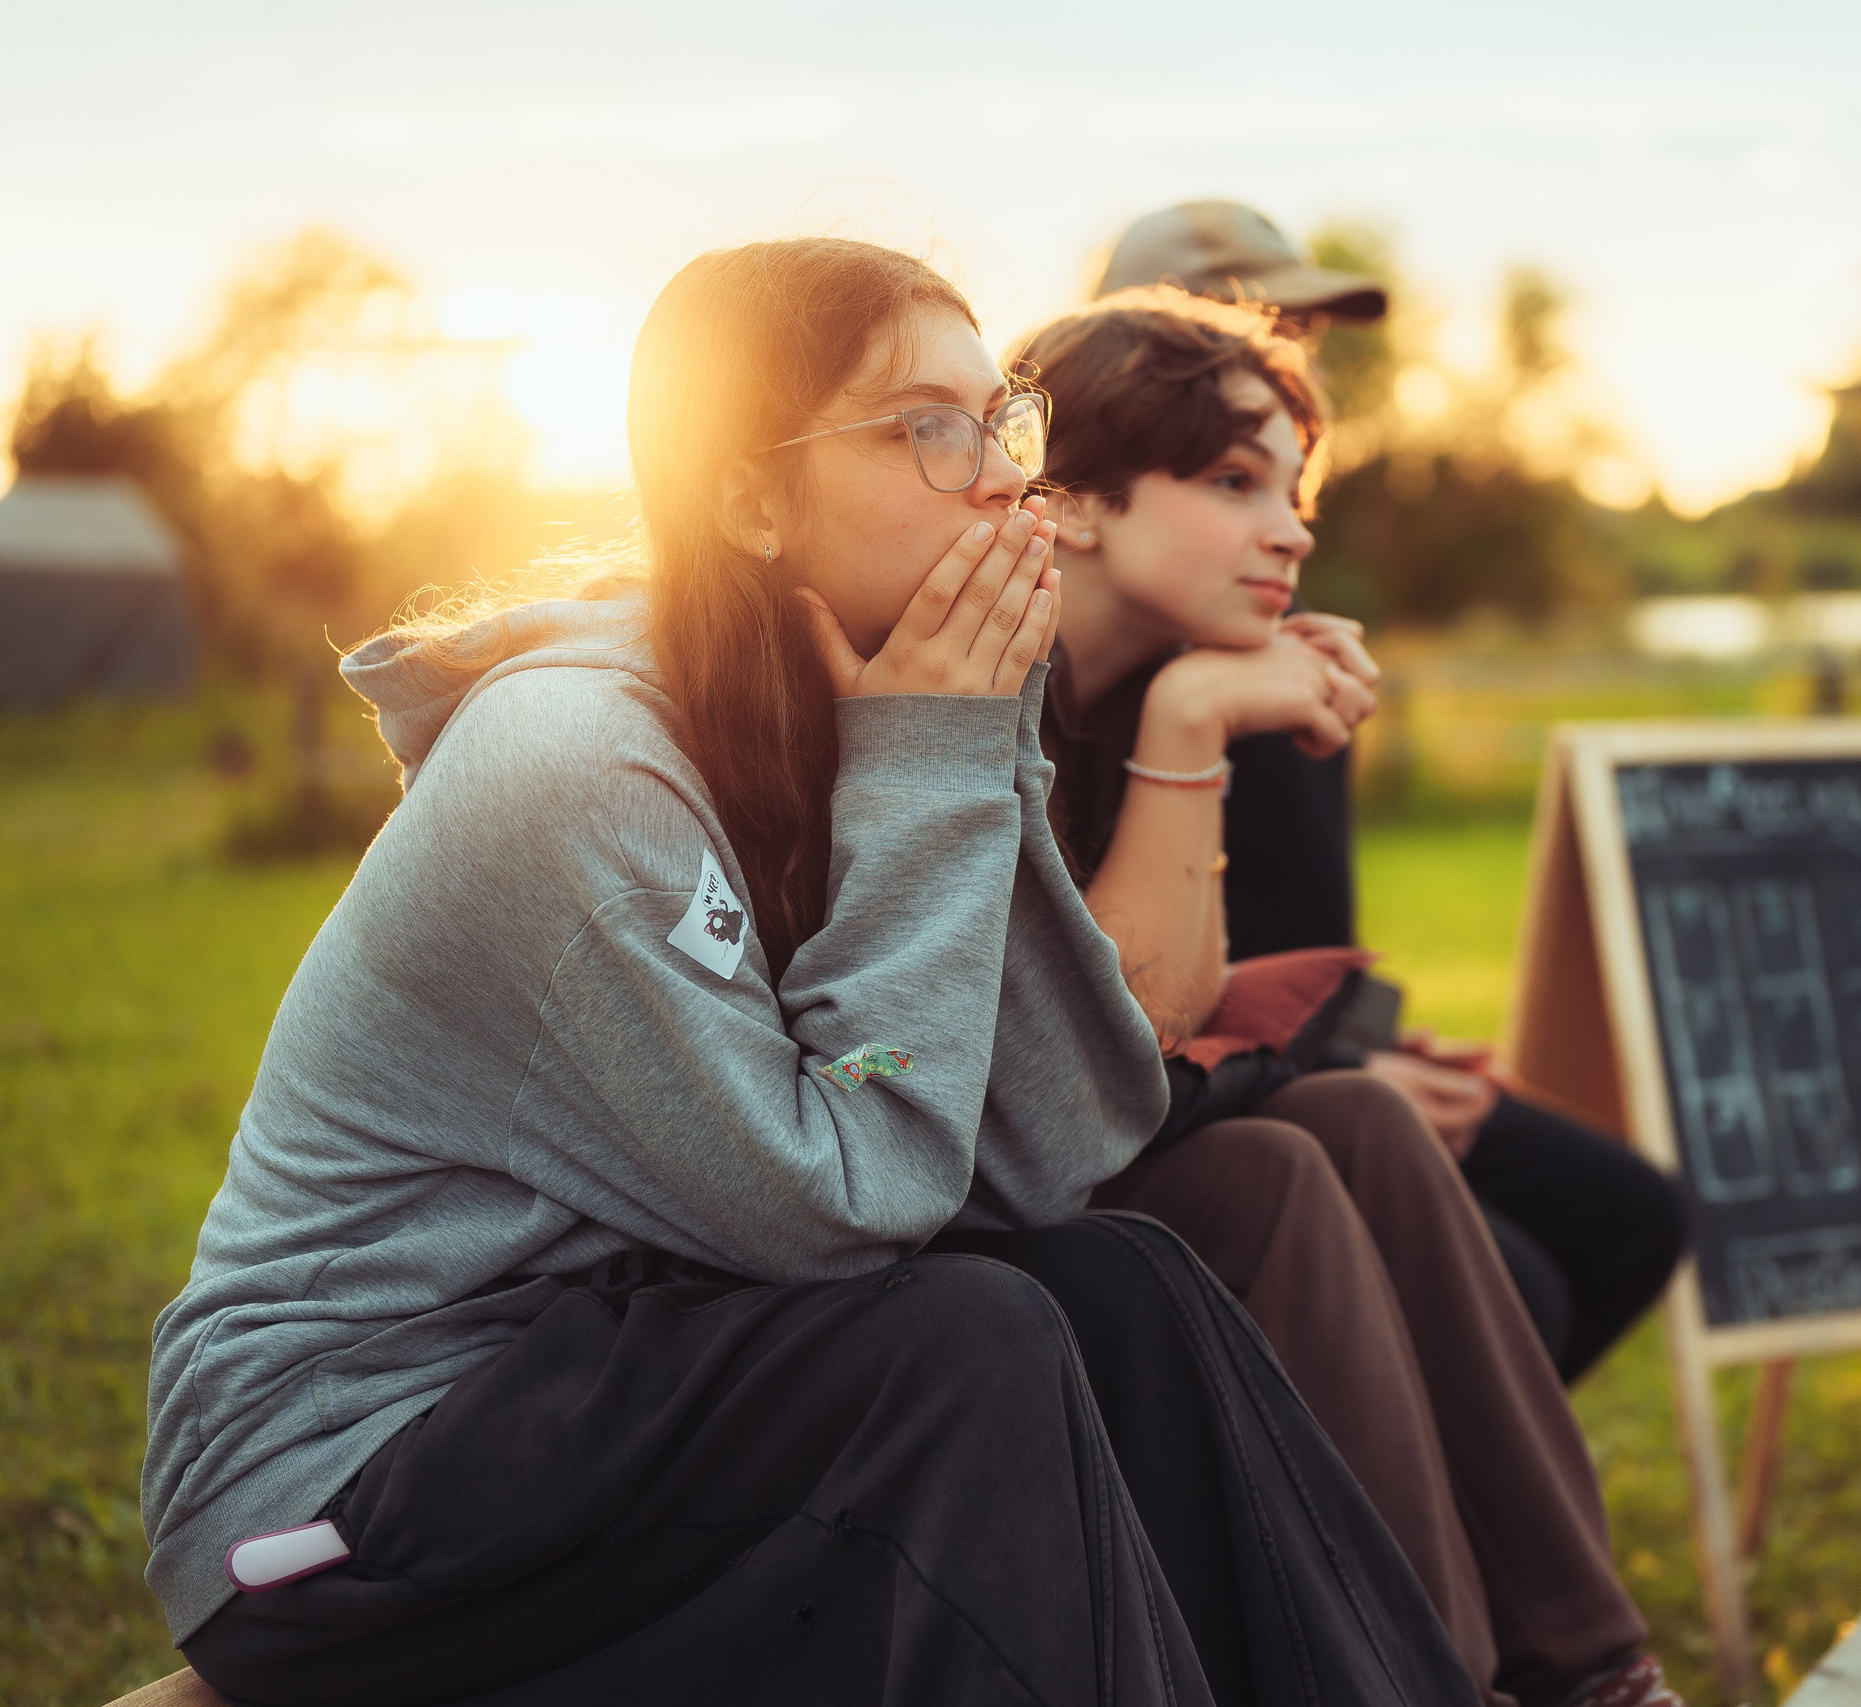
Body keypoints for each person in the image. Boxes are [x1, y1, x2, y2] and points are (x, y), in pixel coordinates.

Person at [142, 238, 1481, 1707]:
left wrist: (975, 764)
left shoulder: (869, 706)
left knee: (1122, 1273)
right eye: (925, 427)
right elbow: (838, 1211)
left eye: (1003, 418)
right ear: (748, 497)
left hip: (618, 1372)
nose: (1000, 478)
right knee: (966, 1339)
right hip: (346, 1473)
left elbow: (1058, 1140)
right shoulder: (574, 763)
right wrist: (931, 768)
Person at [1015, 288, 1678, 1707]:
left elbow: (1168, 1013)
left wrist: (1210, 706)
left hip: (1078, 1160)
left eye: (1296, 491)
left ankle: (1592, 1670)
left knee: (1352, 1125)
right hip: (939, 1206)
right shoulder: (982, 689)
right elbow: (1112, 1044)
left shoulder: (1136, 685)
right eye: (1236, 481)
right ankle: (1436, 1674)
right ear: (1069, 503)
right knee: (1289, 1156)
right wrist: (1201, 717)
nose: (1294, 529)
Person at [1095, 199, 1691, 1383]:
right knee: (1516, 1284)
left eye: (1301, 333)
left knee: (1633, 1214)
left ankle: (1429, 1486)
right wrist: (1347, 1079)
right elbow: (1123, 1014)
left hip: (1294, 1053)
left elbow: (1296, 935)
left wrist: (1374, 1042)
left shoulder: (1260, 638)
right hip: (1197, 1103)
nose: (1285, 359)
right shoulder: (1111, 665)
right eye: (1252, 326)